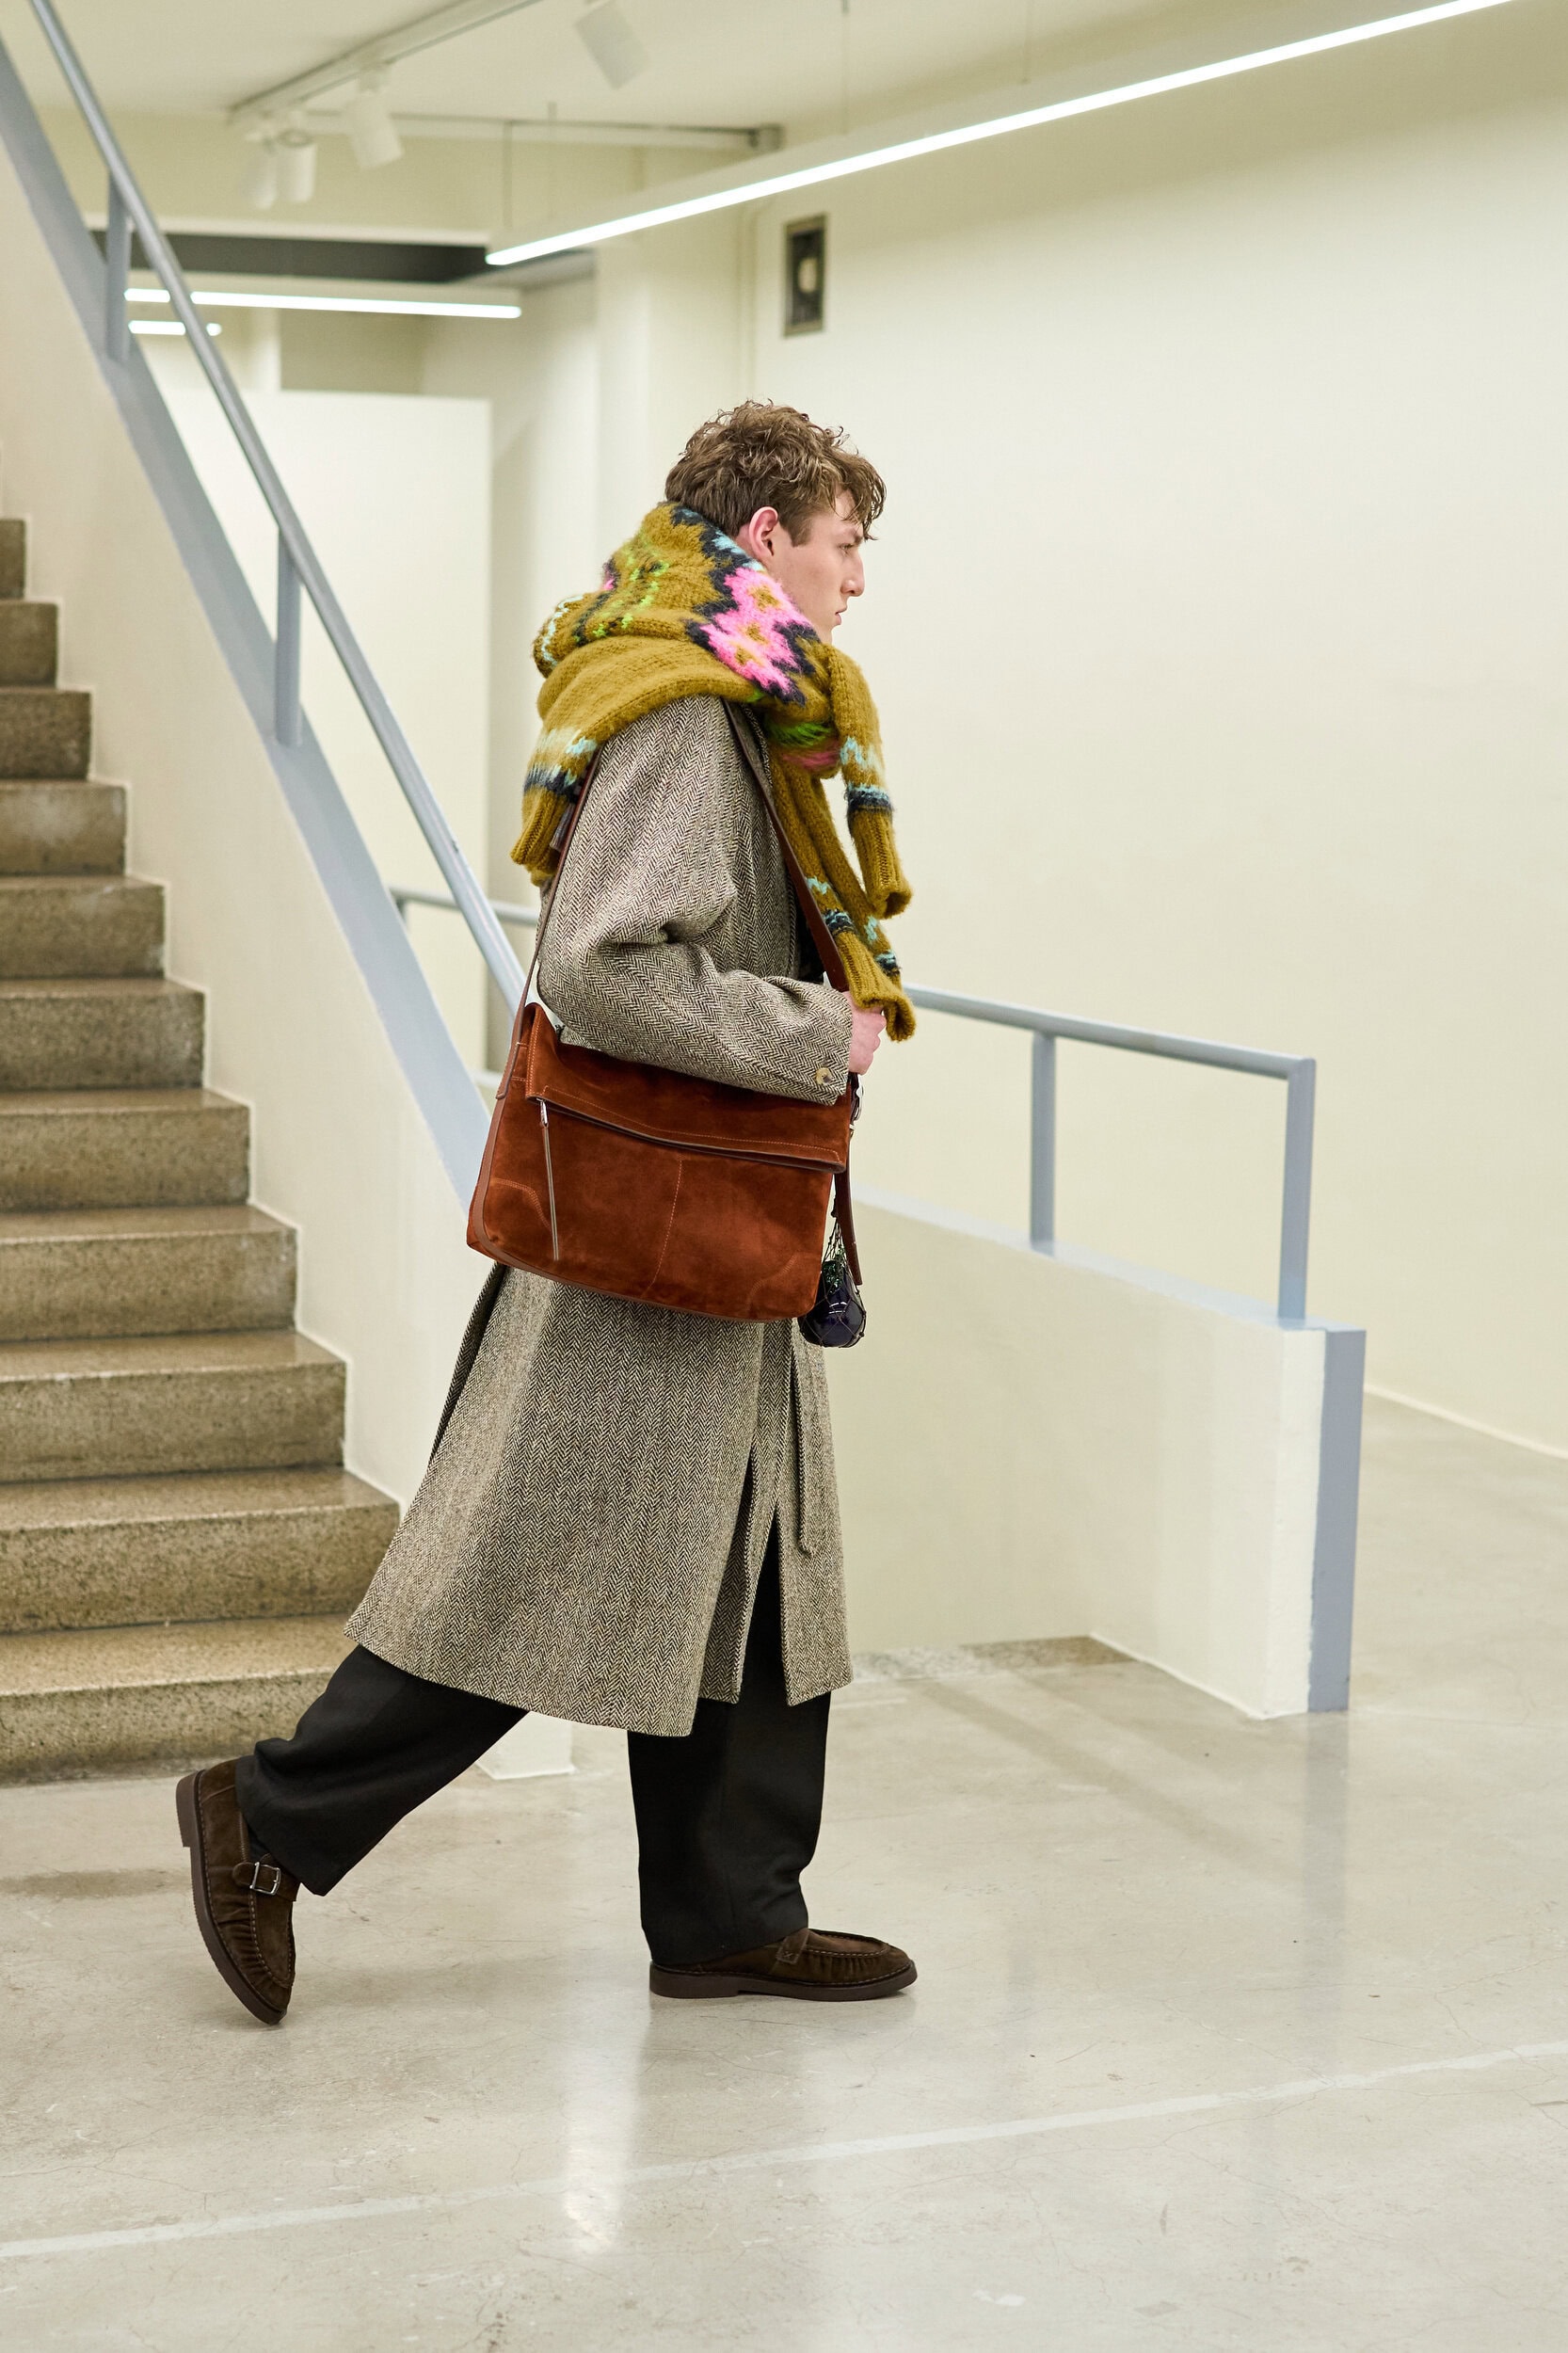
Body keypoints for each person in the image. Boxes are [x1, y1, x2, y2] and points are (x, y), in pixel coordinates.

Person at [175, 401, 920, 2025]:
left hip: (729, 1221)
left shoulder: (743, 702)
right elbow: (598, 967)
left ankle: (728, 1914)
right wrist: (820, 1032)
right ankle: (269, 1814)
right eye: (844, 543)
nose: (859, 578)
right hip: (662, 1233)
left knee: (755, 1576)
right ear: (766, 539)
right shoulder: (687, 711)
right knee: (529, 1577)